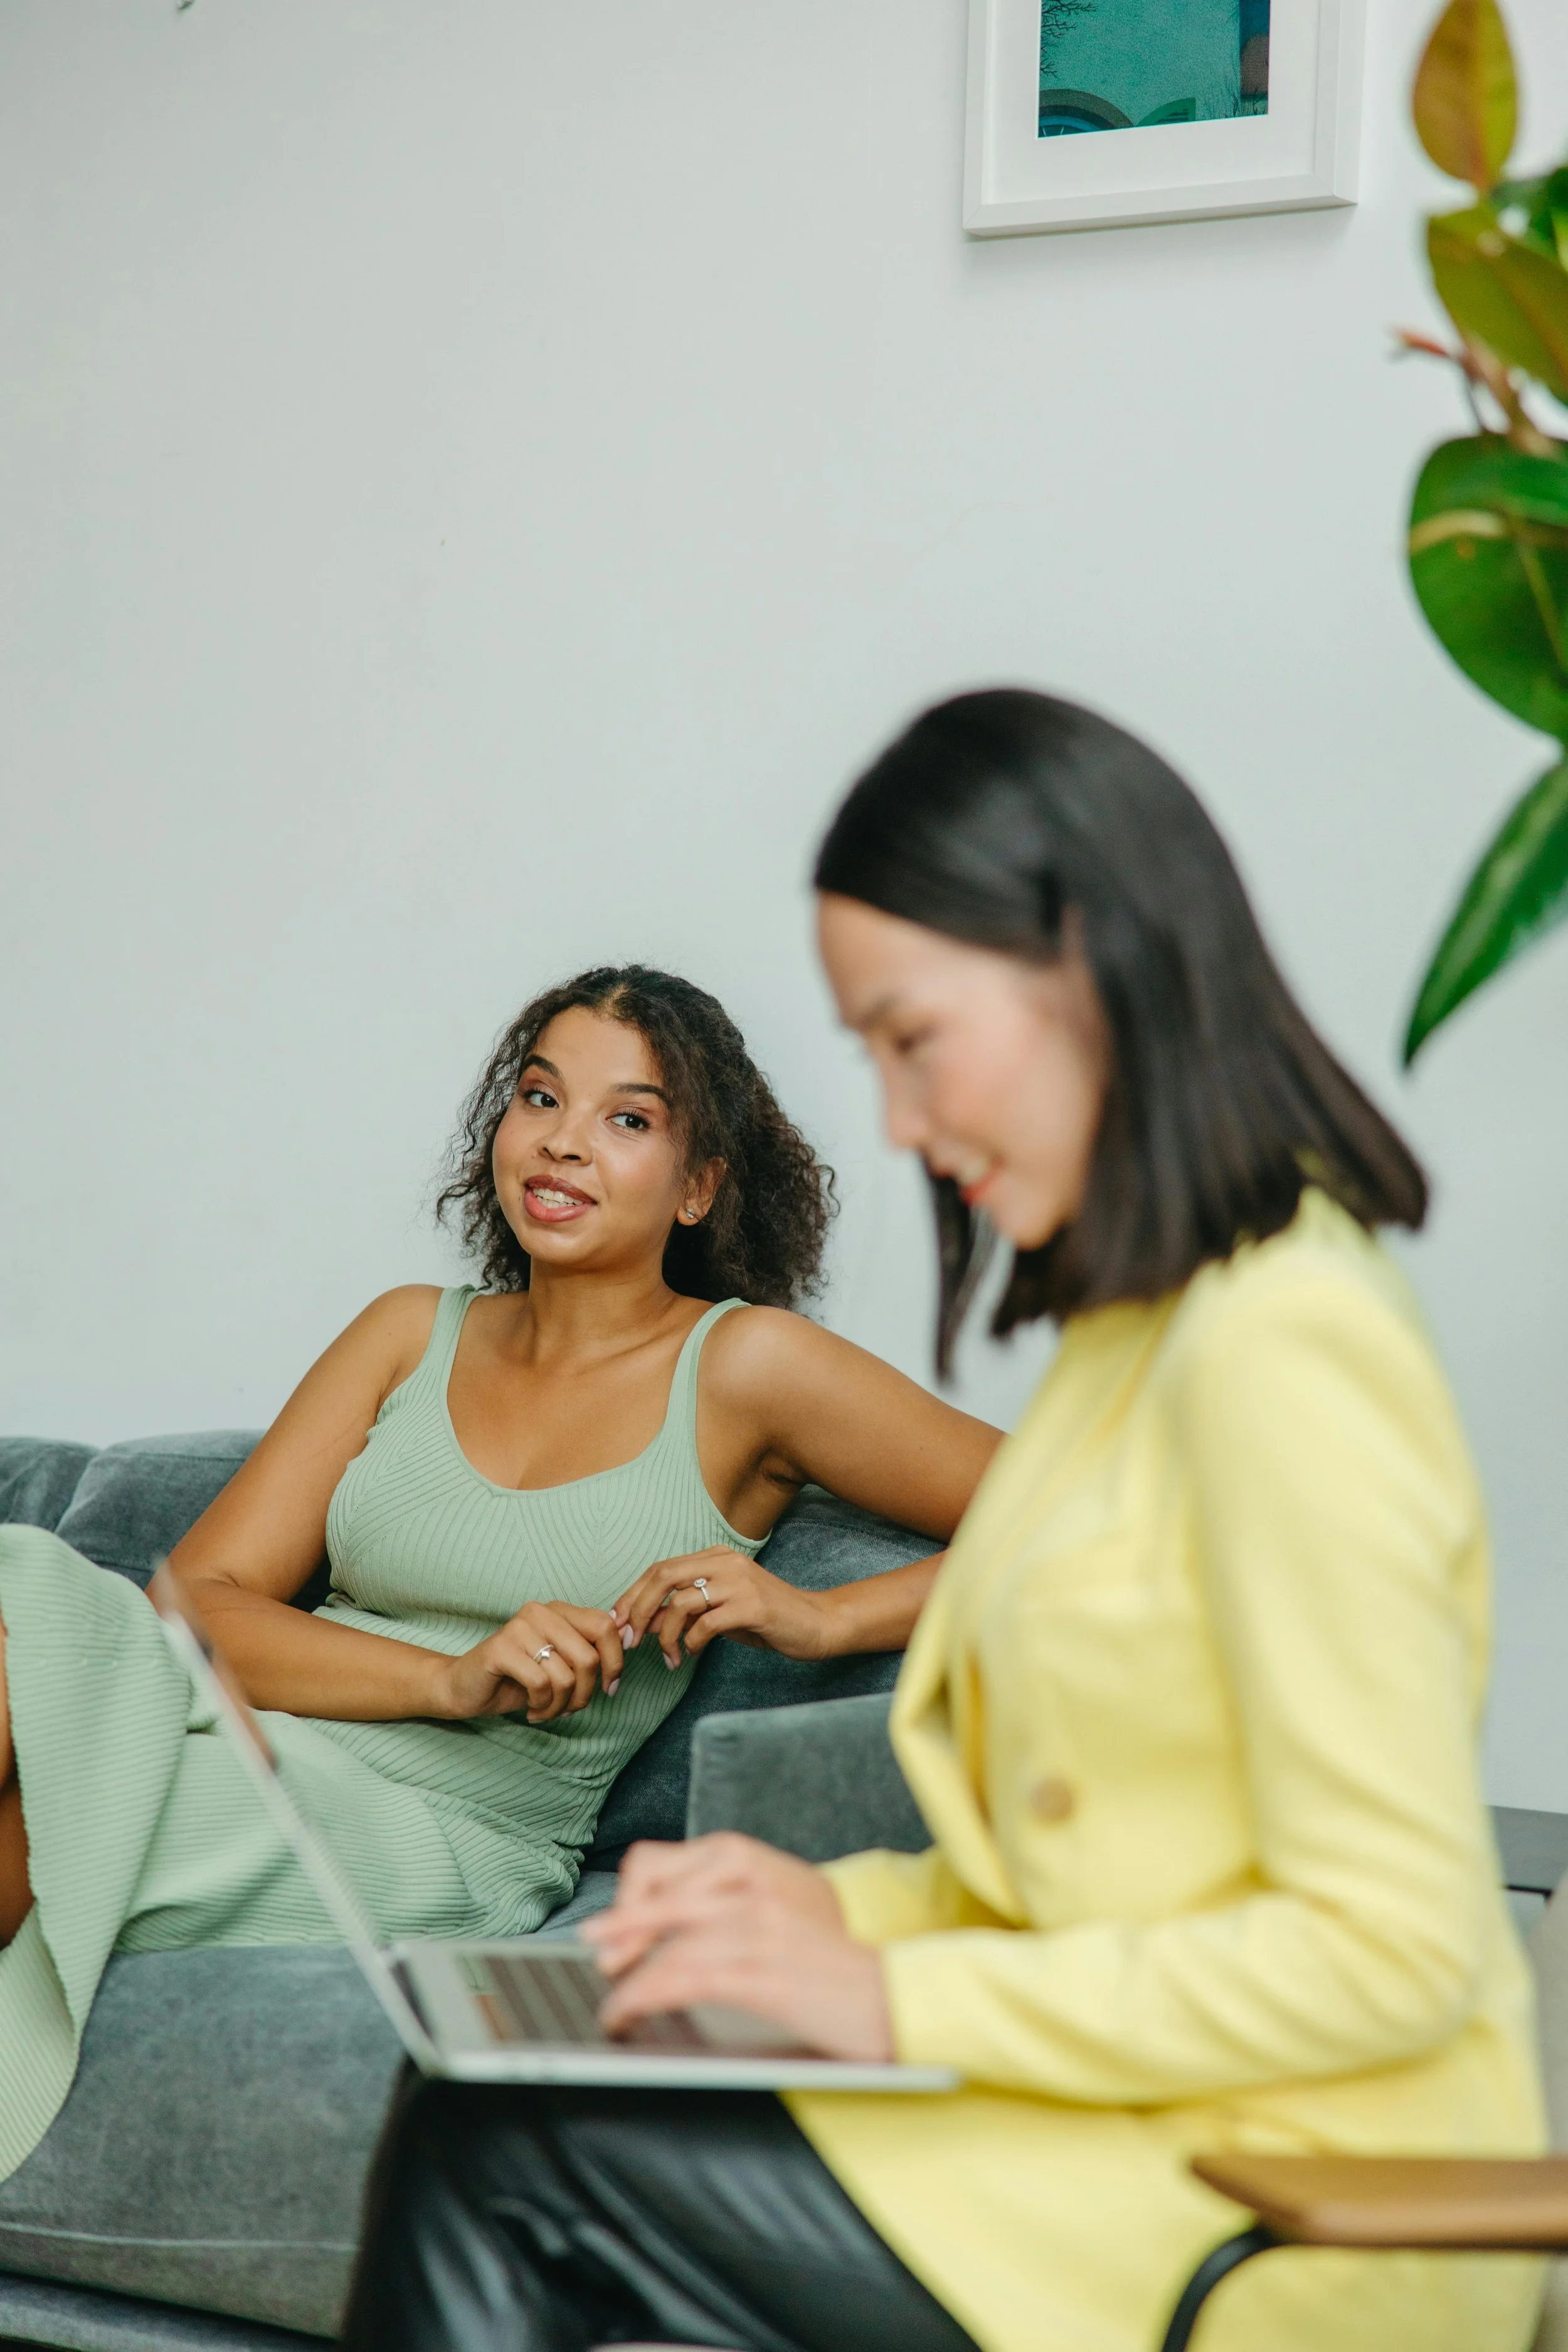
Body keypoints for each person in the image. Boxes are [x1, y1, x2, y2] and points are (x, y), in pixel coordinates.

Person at [340, 692, 1547, 2352]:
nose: (897, 1124)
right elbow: (1096, 1866)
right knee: (509, 2084)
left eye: (912, 1039)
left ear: (1087, 965)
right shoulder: (1138, 1337)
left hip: (1288, 2202)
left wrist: (885, 1988)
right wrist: (817, 1906)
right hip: (1126, 2126)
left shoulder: (1285, 1344)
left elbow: (1391, 1948)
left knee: (511, 2145)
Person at [0, 963, 1000, 2188]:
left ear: (699, 1186)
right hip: (243, 1727)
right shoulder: (403, 1333)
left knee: (33, 1814)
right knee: (26, 1612)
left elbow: (1077, 1506)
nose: (564, 1144)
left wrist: (823, 1612)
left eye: (626, 1120)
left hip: (444, 1834)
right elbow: (192, 1609)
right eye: (540, 1098)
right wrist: (449, 1675)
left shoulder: (747, 1369)